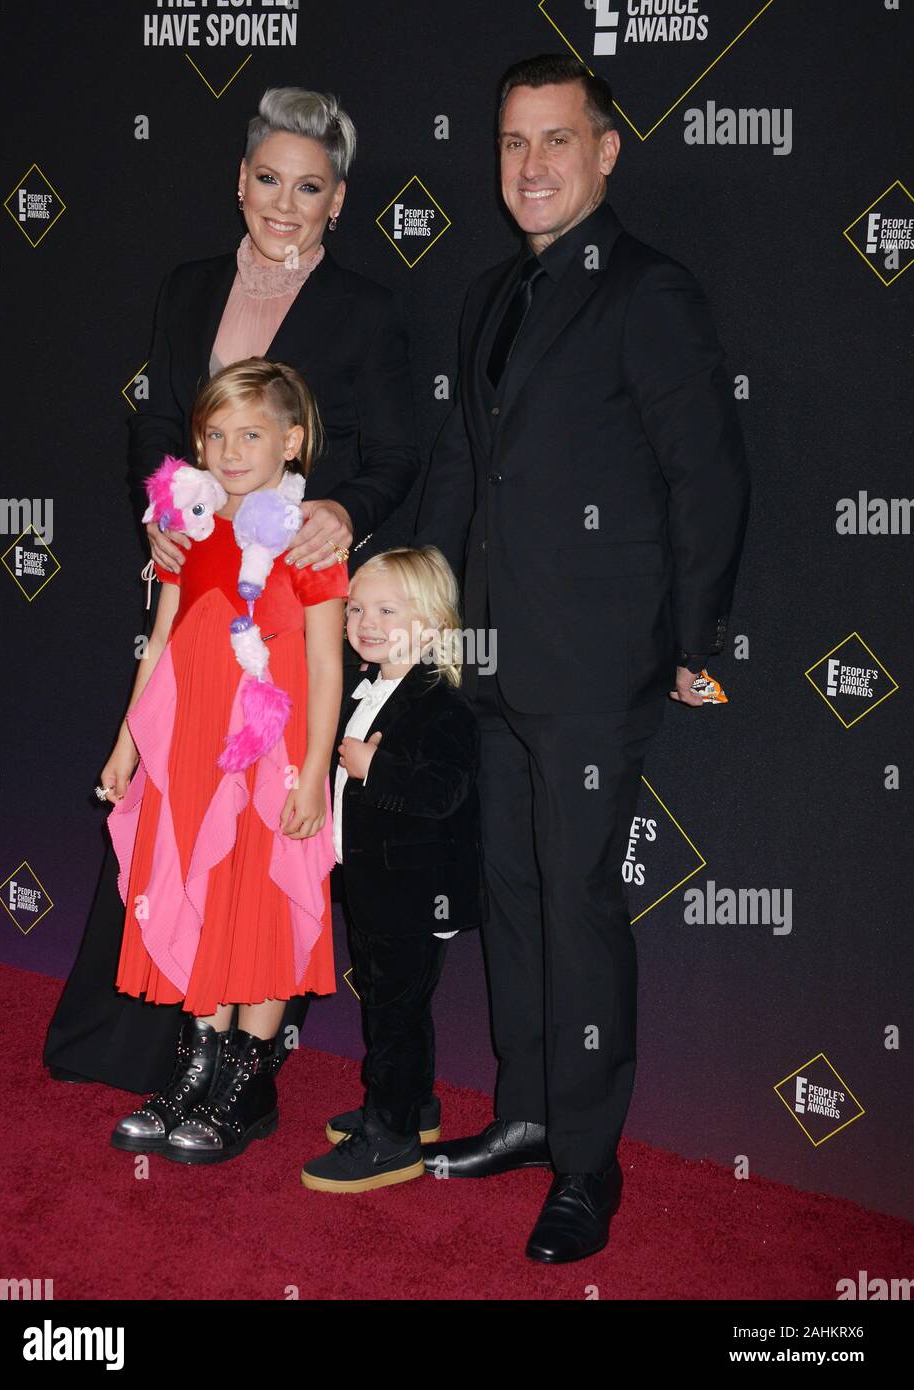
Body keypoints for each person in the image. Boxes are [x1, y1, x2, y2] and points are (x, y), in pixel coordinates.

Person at [412, 54, 750, 1261]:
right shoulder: (490, 295)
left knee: (580, 907)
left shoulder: (649, 291)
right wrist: (418, 601)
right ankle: (525, 1109)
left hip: (596, 667)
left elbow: (702, 473)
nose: (531, 166)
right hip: (493, 659)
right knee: (510, 893)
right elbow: (462, 467)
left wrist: (690, 639)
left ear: (607, 152)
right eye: (511, 144)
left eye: (556, 140)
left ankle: (587, 1164)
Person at [43, 85, 418, 1094]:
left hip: (291, 599)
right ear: (238, 183)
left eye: (309, 187)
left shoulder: (368, 308)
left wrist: (347, 511)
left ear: (338, 201)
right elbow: (158, 422)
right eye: (267, 180)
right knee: (172, 809)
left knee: (261, 838)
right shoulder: (186, 286)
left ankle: (241, 1076)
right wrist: (161, 509)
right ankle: (151, 1045)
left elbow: (393, 452)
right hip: (193, 584)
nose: (284, 204)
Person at [105, 357, 347, 1164]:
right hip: (195, 750)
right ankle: (196, 1069)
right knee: (203, 891)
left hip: (272, 755)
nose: (232, 449)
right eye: (215, 434)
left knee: (265, 897)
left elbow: (323, 666)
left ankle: (247, 1084)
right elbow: (161, 650)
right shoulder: (189, 533)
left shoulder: (308, 541)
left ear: (293, 440)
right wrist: (127, 745)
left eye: (252, 433)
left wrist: (313, 773)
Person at [300, 547, 486, 1192]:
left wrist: (372, 768)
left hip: (415, 895)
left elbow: (442, 794)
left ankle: (392, 1137)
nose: (365, 622)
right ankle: (415, 1105)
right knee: (389, 1006)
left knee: (395, 1014)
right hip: (376, 885)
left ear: (433, 623)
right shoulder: (369, 687)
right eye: (355, 609)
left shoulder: (442, 704)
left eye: (386, 609)